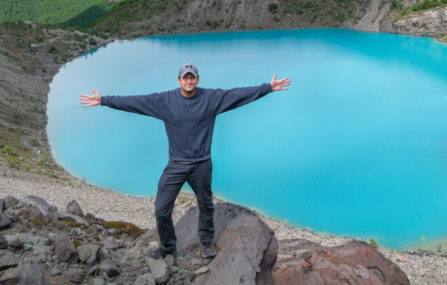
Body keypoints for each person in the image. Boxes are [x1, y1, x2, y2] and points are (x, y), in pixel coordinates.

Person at [79, 63, 290, 260]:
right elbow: (136, 102)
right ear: (179, 80)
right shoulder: (165, 101)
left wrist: (268, 88)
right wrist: (103, 100)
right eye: (185, 78)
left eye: (192, 78)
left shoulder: (211, 99)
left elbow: (237, 94)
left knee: (206, 205)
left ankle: (207, 242)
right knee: (161, 209)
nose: (189, 81)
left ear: (197, 79)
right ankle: (168, 247)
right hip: (176, 165)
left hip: (201, 165)